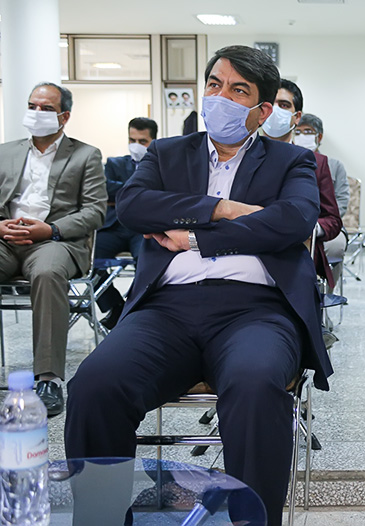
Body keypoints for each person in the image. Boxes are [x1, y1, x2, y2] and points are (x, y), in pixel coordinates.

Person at [64, 45, 334, 526]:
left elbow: (293, 221)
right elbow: (134, 206)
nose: (220, 97)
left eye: (238, 90)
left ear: (262, 111)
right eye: (214, 84)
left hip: (258, 311)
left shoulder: (291, 161)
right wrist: (221, 208)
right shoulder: (168, 153)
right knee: (94, 385)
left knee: (255, 385)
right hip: (166, 310)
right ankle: (102, 519)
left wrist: (195, 237)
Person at [0, 82, 106, 417]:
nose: (37, 113)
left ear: (64, 116)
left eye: (46, 108)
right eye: (33, 106)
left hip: (54, 240)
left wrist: (51, 229)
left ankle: (47, 379)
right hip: (6, 239)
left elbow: (95, 211)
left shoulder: (85, 155)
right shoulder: (5, 152)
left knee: (47, 273)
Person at [262, 79, 343, 289]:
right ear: (262, 110)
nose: (276, 111)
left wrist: (310, 228)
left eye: (284, 105)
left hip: (299, 253)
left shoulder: (316, 163)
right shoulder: (240, 156)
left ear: (296, 116)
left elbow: (333, 220)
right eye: (271, 103)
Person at [95, 117, 158, 330]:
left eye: (142, 141)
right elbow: (105, 189)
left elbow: (161, 195)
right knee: (86, 259)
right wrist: (141, 191)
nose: (136, 145)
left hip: (142, 229)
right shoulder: (114, 163)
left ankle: (135, 309)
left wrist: (124, 192)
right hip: (113, 226)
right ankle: (116, 307)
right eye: (132, 140)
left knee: (149, 263)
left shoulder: (161, 165)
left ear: (153, 141)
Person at [295, 113, 349, 288]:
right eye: (298, 132)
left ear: (319, 137)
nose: (302, 136)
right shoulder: (288, 161)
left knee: (335, 248)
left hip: (327, 224)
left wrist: (318, 226)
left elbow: (341, 200)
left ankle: (327, 292)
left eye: (308, 132)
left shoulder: (334, 165)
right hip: (296, 223)